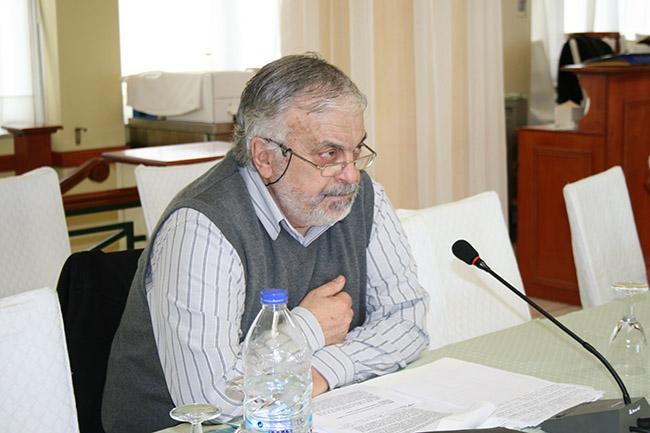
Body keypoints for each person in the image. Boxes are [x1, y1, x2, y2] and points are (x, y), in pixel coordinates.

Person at [102, 53, 429, 433]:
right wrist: (309, 328)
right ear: (265, 157)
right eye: (329, 155)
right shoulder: (201, 227)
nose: (351, 175)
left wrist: (323, 371)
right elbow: (213, 399)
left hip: (315, 415)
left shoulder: (362, 198)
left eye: (355, 151)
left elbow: (408, 322)